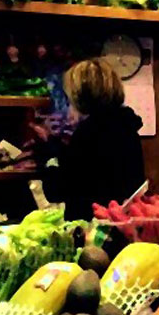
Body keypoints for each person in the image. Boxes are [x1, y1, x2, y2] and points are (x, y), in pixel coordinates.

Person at [45, 58, 145, 220]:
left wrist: (49, 154)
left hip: (94, 227)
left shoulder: (88, 133)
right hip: (123, 223)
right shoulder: (127, 127)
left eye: (69, 99)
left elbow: (57, 190)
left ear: (81, 96)